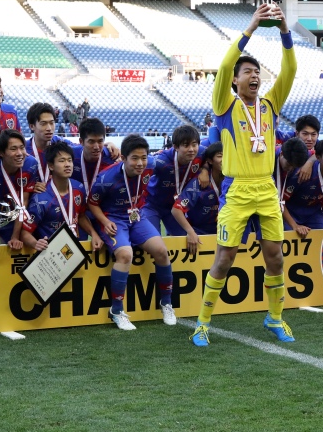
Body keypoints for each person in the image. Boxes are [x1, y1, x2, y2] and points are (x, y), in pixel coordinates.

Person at [191, 2, 296, 347]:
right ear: (235, 81)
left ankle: (275, 317)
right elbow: (223, 65)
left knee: (276, 256)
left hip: (266, 188)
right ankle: (203, 322)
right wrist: (252, 25)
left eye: (257, 72)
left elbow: (290, 69)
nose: (254, 76)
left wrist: (283, 29)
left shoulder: (269, 106)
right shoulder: (225, 105)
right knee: (225, 258)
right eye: (246, 72)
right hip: (236, 190)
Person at [89, 134, 176, 330]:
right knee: (125, 254)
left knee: (162, 251)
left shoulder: (151, 165)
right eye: (134, 158)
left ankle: (167, 303)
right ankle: (117, 310)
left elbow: (172, 157)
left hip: (137, 216)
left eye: (143, 157)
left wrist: (204, 171)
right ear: (124, 158)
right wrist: (104, 221)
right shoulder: (106, 178)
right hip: (113, 219)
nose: (140, 163)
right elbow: (92, 203)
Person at [20, 142, 103, 251]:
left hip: (75, 250)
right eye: (62, 161)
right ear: (51, 166)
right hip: (51, 253)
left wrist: (93, 233)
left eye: (69, 160)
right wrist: (36, 243)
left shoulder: (79, 188)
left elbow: (81, 216)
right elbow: (25, 232)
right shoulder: (41, 199)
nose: (67, 164)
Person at [141, 124, 206, 236]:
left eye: (194, 144)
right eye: (186, 145)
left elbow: (215, 153)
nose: (191, 149)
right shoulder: (162, 161)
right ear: (175, 147)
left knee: (186, 238)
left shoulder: (201, 152)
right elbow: (140, 166)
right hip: (152, 204)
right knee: (153, 241)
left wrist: (205, 169)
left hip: (174, 206)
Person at [280, 137, 323, 238]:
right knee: (293, 238)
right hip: (292, 213)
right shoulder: (302, 174)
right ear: (318, 157)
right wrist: (295, 225)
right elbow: (281, 201)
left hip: (314, 213)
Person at [171, 142, 223, 255]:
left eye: (226, 155)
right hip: (200, 233)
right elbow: (176, 210)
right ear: (209, 161)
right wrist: (190, 232)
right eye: (220, 156)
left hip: (222, 232)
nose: (224, 159)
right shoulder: (199, 183)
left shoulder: (231, 180)